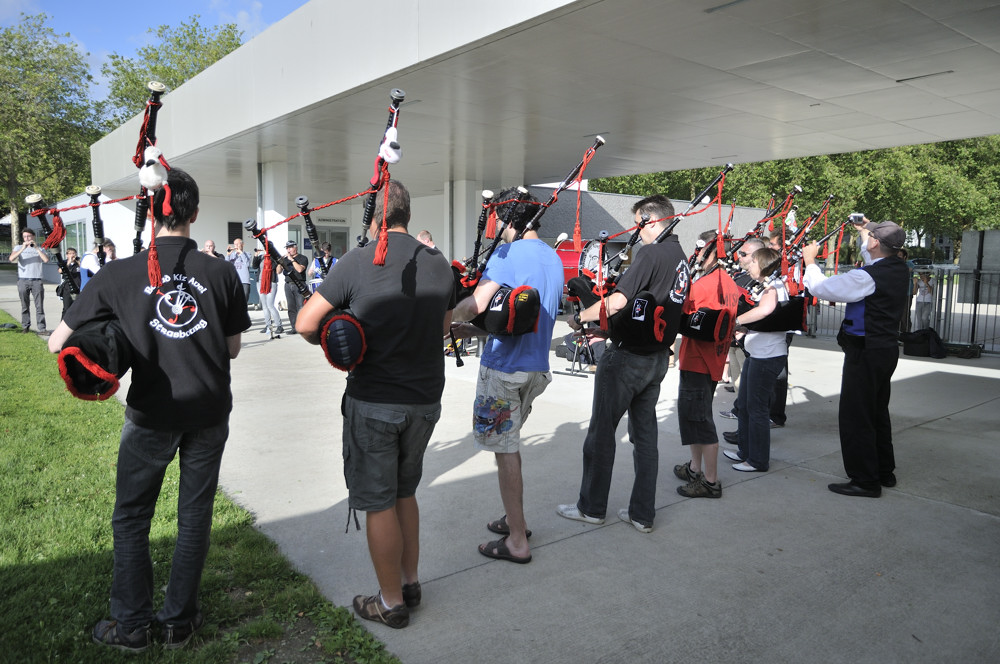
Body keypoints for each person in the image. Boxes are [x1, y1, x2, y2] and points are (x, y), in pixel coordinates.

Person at [48, 168, 250, 652]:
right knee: (194, 515)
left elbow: (57, 342)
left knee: (133, 518)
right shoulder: (219, 271)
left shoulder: (119, 274)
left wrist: (113, 321)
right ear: (194, 214)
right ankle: (179, 622)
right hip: (208, 410)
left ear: (150, 210)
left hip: (151, 415)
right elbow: (234, 348)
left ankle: (133, 625)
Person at [295, 180, 455, 629]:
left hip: (375, 401)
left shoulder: (357, 261)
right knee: (406, 492)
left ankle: (389, 602)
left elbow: (306, 324)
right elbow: (443, 329)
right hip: (425, 400)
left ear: (374, 216)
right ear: (406, 213)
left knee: (379, 501)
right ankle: (410, 582)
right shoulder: (439, 263)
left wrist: (339, 325)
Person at [557, 194, 688, 533]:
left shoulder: (653, 252)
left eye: (639, 224)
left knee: (601, 434)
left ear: (651, 220)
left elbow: (617, 300)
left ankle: (591, 508)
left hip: (628, 358)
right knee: (645, 438)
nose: (638, 232)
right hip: (657, 358)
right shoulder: (679, 255)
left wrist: (582, 317)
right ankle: (642, 515)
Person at [450, 187, 563, 564]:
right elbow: (519, 317)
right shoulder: (553, 257)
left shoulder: (506, 253)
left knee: (505, 452)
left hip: (503, 372)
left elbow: (475, 304)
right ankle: (513, 518)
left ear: (507, 218)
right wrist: (478, 331)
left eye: (497, 217)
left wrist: (446, 317)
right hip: (536, 371)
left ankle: (517, 539)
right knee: (509, 445)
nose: (494, 224)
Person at [801, 220, 909, 498]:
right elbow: (869, 251)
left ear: (876, 243)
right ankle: (884, 471)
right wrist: (865, 227)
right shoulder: (896, 267)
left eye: (870, 236)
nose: (867, 239)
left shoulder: (867, 277)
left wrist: (810, 261)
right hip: (884, 349)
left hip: (866, 351)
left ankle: (865, 480)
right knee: (876, 412)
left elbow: (821, 288)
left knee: (856, 417)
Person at [674, 230, 741, 498]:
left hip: (698, 361)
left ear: (712, 252)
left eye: (701, 250)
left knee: (700, 420)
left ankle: (710, 481)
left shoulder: (703, 286)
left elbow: (680, 311)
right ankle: (694, 468)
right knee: (692, 417)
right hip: (713, 358)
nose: (698, 255)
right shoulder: (730, 284)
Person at [722, 247, 788, 472]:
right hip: (757, 354)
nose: (747, 267)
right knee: (747, 406)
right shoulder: (766, 286)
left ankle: (758, 460)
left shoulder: (774, 286)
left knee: (757, 409)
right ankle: (745, 452)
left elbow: (765, 310)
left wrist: (735, 320)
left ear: (762, 264)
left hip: (767, 357)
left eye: (752, 263)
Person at [720, 237, 764, 419]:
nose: (740, 256)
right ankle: (740, 411)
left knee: (749, 385)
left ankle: (746, 417)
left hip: (748, 338)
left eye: (744, 254)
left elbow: (762, 311)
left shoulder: (763, 281)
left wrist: (741, 324)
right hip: (733, 337)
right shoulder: (740, 276)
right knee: (738, 381)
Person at [10, 228, 51, 334]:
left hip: (37, 280)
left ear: (33, 236)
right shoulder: (18, 247)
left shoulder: (40, 248)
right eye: (24, 237)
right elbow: (11, 259)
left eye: (29, 236)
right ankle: (25, 326)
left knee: (39, 306)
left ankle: (42, 328)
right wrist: (22, 249)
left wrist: (37, 248)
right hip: (23, 280)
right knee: (24, 305)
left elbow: (46, 260)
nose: (27, 238)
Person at [279, 240, 309, 333]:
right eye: (287, 248)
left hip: (299, 284)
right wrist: (280, 262)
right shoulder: (285, 259)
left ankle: (302, 327)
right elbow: (278, 271)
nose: (288, 250)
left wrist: (292, 260)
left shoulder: (302, 258)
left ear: (295, 248)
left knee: (300, 306)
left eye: (290, 248)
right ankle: (294, 327)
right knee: (291, 307)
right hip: (288, 284)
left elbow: (300, 270)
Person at [252, 248, 283, 337]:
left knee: (270, 305)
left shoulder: (274, 257)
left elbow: (274, 268)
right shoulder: (261, 257)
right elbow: (254, 266)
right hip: (260, 283)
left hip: (271, 283)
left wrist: (269, 256)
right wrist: (256, 255)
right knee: (264, 306)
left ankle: (279, 325)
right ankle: (268, 325)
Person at [57, 247, 82, 319]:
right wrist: (68, 262)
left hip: (78, 288)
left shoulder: (79, 263)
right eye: (70, 253)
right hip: (67, 289)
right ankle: (63, 324)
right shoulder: (64, 263)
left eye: (73, 253)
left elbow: (84, 269)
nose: (72, 255)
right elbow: (60, 271)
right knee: (66, 308)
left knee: (77, 308)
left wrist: (77, 262)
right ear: (67, 255)